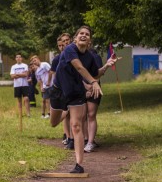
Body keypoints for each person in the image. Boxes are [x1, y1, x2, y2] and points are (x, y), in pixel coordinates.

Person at [50, 26, 119, 173]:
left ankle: (79, 165)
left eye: (87, 34)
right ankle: (65, 111)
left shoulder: (90, 57)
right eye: (81, 33)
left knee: (76, 126)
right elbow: (79, 68)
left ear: (89, 41)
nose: (84, 35)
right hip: (59, 91)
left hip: (76, 93)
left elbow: (96, 74)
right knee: (53, 123)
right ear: (75, 38)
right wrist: (93, 82)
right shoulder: (70, 49)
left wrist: (106, 65)